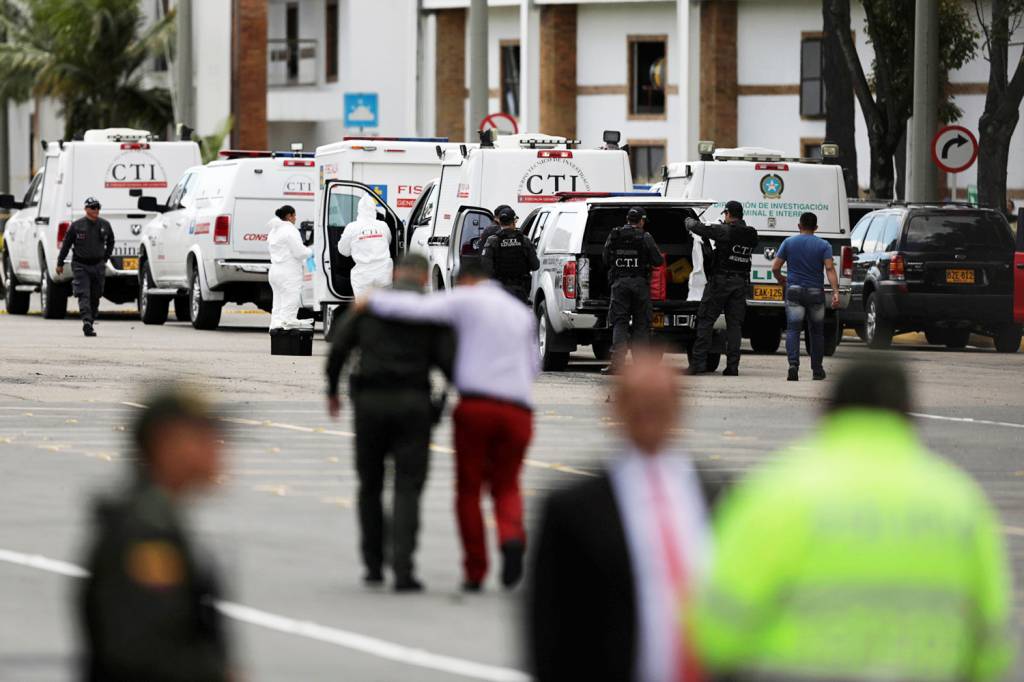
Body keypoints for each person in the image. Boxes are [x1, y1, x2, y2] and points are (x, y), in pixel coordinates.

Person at [694, 360, 1013, 682]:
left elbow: (717, 631)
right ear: (909, 413)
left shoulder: (777, 493)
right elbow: (991, 645)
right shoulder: (960, 503)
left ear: (827, 411)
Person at [528, 352, 714, 682]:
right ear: (616, 409)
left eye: (659, 403)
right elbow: (550, 629)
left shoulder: (715, 497)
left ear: (680, 408)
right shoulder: (573, 510)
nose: (649, 415)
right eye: (640, 404)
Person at [357, 260, 538, 591]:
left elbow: (417, 308)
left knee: (469, 490)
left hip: (476, 406)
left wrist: (372, 300)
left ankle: (475, 571)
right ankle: (512, 536)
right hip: (519, 411)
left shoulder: (466, 299)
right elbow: (534, 367)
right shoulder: (521, 313)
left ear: (466, 280)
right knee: (507, 484)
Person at [79, 386, 231, 682]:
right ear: (166, 444)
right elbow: (142, 650)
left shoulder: (156, 519)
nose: (218, 448)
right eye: (203, 437)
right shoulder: (146, 535)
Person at [324, 254, 454, 592]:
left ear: (396, 273)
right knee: (408, 487)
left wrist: (332, 390)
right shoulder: (430, 311)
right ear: (425, 278)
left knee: (370, 485)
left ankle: (373, 565)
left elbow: (339, 347)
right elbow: (450, 363)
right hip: (413, 403)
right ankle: (404, 569)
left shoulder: (370, 304)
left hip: (370, 403)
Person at [685, 200, 758, 376]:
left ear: (728, 214)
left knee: (706, 320)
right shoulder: (751, 233)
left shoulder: (726, 230)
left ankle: (698, 364)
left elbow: (701, 229)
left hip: (721, 282)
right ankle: (733, 367)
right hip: (740, 283)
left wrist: (689, 222)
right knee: (734, 325)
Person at [771, 211, 840, 382]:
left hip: (794, 290)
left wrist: (781, 279)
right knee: (816, 332)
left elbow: (775, 267)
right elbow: (830, 269)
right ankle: (817, 370)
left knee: (793, 329)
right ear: (816, 228)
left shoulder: (788, 242)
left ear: (799, 226)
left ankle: (793, 365)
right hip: (816, 293)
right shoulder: (824, 245)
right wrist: (836, 292)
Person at [602, 206, 664, 374]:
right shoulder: (645, 237)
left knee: (619, 324)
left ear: (627, 219)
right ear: (641, 221)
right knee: (641, 326)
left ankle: (617, 365)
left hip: (620, 284)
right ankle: (642, 367)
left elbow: (605, 258)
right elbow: (658, 261)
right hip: (640, 286)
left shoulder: (615, 234)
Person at [56, 197, 115, 337]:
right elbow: (66, 245)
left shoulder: (105, 224)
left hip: (98, 266)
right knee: (84, 295)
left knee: (96, 295)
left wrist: (105, 258)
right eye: (93, 207)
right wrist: (60, 263)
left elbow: (111, 241)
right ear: (86, 209)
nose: (96, 210)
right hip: (81, 266)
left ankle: (91, 320)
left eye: (98, 207)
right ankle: (87, 322)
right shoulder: (77, 226)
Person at [481, 204, 540, 303]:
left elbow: (486, 269)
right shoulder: (524, 240)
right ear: (514, 221)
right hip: (520, 291)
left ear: (500, 221)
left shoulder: (492, 241)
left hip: (499, 291)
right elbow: (535, 265)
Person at [267, 204, 313, 331]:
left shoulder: (274, 230)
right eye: (294, 215)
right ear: (289, 216)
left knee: (278, 305)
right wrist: (310, 252)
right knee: (289, 305)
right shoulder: (290, 230)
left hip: (275, 271)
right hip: (288, 272)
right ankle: (286, 334)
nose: (296, 218)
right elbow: (299, 252)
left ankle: (276, 330)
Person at [339, 194, 393, 296]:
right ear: (374, 209)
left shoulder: (352, 227)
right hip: (384, 275)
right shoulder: (383, 225)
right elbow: (388, 242)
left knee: (364, 310)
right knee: (385, 308)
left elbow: (343, 251)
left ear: (359, 210)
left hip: (363, 277)